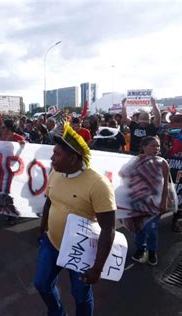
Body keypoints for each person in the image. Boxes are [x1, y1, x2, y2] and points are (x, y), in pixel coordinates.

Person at [35, 122, 116, 316]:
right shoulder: (55, 172)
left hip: (82, 252)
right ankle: (57, 313)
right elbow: (49, 203)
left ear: (73, 159)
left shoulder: (98, 185)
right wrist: (42, 229)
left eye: (57, 154)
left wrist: (97, 268)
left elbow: (108, 229)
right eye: (53, 152)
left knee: (80, 296)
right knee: (42, 284)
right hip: (52, 244)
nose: (52, 157)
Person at [119, 136, 169, 266]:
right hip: (137, 203)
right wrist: (137, 161)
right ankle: (140, 248)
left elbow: (166, 185)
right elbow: (122, 173)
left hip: (155, 204)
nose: (156, 148)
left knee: (152, 230)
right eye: (152, 146)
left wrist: (164, 202)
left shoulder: (162, 162)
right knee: (139, 229)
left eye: (158, 146)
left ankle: (152, 252)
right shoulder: (135, 160)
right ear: (143, 147)